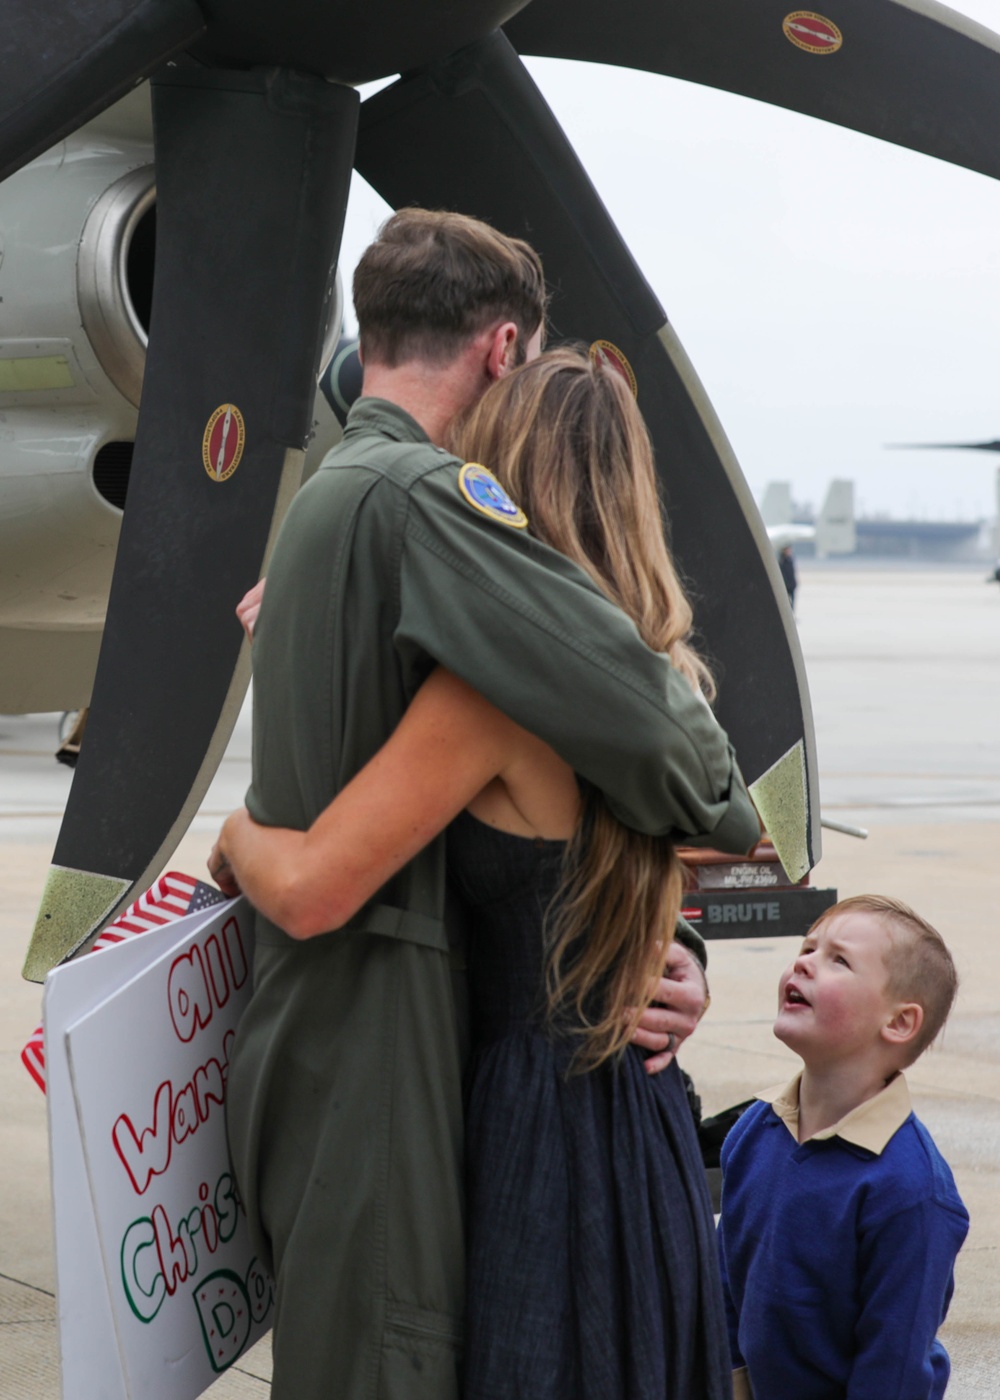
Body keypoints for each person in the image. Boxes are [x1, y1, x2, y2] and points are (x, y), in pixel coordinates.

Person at [214, 209, 758, 1400]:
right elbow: (696, 822)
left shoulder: (479, 664)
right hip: (641, 1124)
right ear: (500, 345)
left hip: (530, 1122)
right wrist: (680, 950)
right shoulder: (647, 667)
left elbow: (314, 882)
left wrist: (236, 833)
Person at [718, 895, 968, 1400]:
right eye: (808, 947)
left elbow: (894, 1367)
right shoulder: (753, 1131)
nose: (804, 962)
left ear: (899, 1023)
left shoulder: (910, 1192)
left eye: (839, 959)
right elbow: (724, 1294)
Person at [778, 543, 797, 610]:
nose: (789, 552)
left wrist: (794, 583)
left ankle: (792, 614)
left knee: (792, 601)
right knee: (787, 601)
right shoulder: (782, 561)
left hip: (792, 584)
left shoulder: (791, 560)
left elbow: (792, 573)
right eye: (788, 550)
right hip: (786, 585)